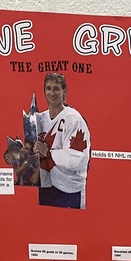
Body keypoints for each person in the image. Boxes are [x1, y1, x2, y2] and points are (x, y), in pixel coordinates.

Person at [33, 72, 90, 209]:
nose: (52, 93)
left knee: (70, 228)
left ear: (64, 91)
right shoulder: (39, 118)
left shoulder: (74, 119)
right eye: (48, 88)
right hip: (46, 185)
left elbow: (78, 158)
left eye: (56, 88)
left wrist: (49, 153)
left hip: (69, 189)